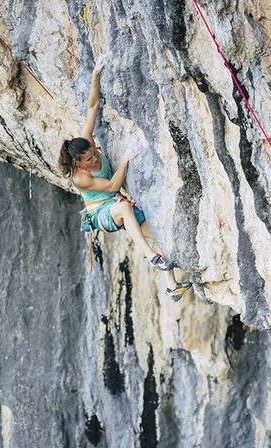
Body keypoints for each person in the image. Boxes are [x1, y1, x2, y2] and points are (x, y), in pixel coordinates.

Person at [58, 53, 192, 302]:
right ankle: (151, 256)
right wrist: (125, 159)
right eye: (88, 160)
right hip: (101, 212)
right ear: (78, 163)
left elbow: (92, 106)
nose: (94, 159)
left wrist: (96, 74)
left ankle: (172, 286)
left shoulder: (86, 141)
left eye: (93, 153)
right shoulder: (80, 177)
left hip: (117, 204)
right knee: (123, 207)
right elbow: (111, 185)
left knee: (160, 231)